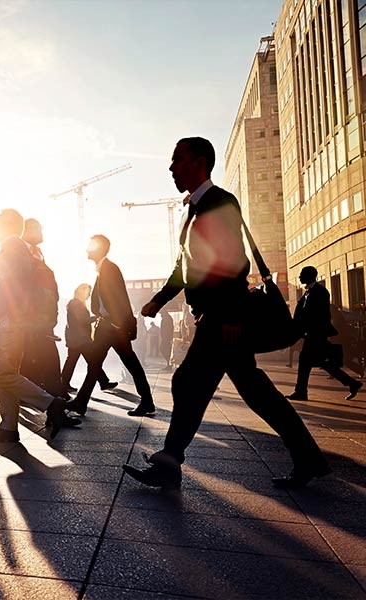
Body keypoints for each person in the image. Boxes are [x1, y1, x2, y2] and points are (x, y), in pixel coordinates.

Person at [123, 137, 328, 490]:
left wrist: (232, 315)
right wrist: (159, 299)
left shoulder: (219, 202)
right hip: (216, 316)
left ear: (200, 162)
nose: (171, 167)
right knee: (251, 390)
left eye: (178, 159)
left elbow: (234, 262)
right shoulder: (194, 210)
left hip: (222, 318)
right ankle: (308, 458)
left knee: (189, 383)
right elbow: (183, 268)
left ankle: (169, 463)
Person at [0, 209, 78, 443]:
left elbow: (19, 284)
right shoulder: (17, 247)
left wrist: (13, 315)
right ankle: (8, 427)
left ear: (6, 225)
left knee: (4, 375)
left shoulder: (12, 246)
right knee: (5, 374)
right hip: (15, 320)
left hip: (13, 322)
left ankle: (51, 403)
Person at [67, 235, 155, 417]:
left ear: (99, 248)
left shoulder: (109, 269)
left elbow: (120, 298)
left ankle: (146, 401)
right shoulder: (103, 270)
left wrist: (118, 325)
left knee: (125, 362)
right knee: (98, 363)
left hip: (113, 328)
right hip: (108, 327)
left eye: (90, 246)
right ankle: (81, 402)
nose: (86, 249)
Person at [286, 266, 362, 402]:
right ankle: (352, 384)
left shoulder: (320, 292)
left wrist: (308, 328)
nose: (299, 277)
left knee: (306, 361)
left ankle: (301, 392)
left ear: (310, 276)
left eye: (302, 274)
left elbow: (319, 314)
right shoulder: (308, 292)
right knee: (320, 363)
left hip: (317, 334)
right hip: (312, 334)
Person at [19, 218, 65, 397]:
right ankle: (56, 400)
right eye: (39, 229)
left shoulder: (38, 253)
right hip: (31, 319)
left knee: (38, 361)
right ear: (29, 229)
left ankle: (55, 398)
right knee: (40, 360)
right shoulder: (22, 252)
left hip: (43, 319)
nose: (42, 233)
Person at [61, 283, 117, 393]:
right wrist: (97, 317)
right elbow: (82, 320)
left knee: (73, 361)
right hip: (80, 339)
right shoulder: (77, 304)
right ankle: (103, 382)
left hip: (75, 338)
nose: (89, 295)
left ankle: (63, 384)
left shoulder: (74, 303)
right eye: (88, 292)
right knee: (92, 361)